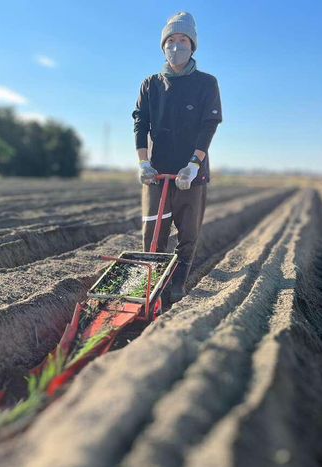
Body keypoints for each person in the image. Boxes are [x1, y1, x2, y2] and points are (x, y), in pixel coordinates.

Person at [132, 12, 222, 302]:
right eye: (170, 40)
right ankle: (150, 287)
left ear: (192, 45)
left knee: (187, 234)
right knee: (153, 234)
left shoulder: (206, 83)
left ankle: (177, 285)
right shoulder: (151, 84)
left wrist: (193, 165)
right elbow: (140, 124)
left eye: (183, 40)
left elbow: (209, 125)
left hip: (191, 173)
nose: (176, 46)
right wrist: (144, 163)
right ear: (163, 46)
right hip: (157, 173)